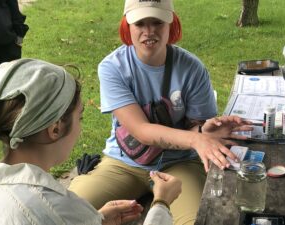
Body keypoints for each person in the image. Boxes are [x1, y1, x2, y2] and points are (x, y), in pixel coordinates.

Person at [68, 0, 253, 224]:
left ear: (171, 25)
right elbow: (141, 130)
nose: (149, 31)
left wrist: (204, 129)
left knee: (197, 220)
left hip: (180, 163)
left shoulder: (192, 68)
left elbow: (194, 128)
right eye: (140, 23)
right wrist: (196, 138)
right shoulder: (112, 67)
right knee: (67, 209)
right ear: (127, 26)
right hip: (123, 162)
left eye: (157, 22)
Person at [0, 58, 182, 225]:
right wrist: (161, 203)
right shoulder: (57, 207)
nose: (80, 128)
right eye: (79, 118)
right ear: (55, 129)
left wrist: (96, 220)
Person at [0, 0, 29, 73]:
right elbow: (16, 17)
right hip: (5, 42)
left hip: (4, 42)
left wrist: (19, 43)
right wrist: (19, 42)